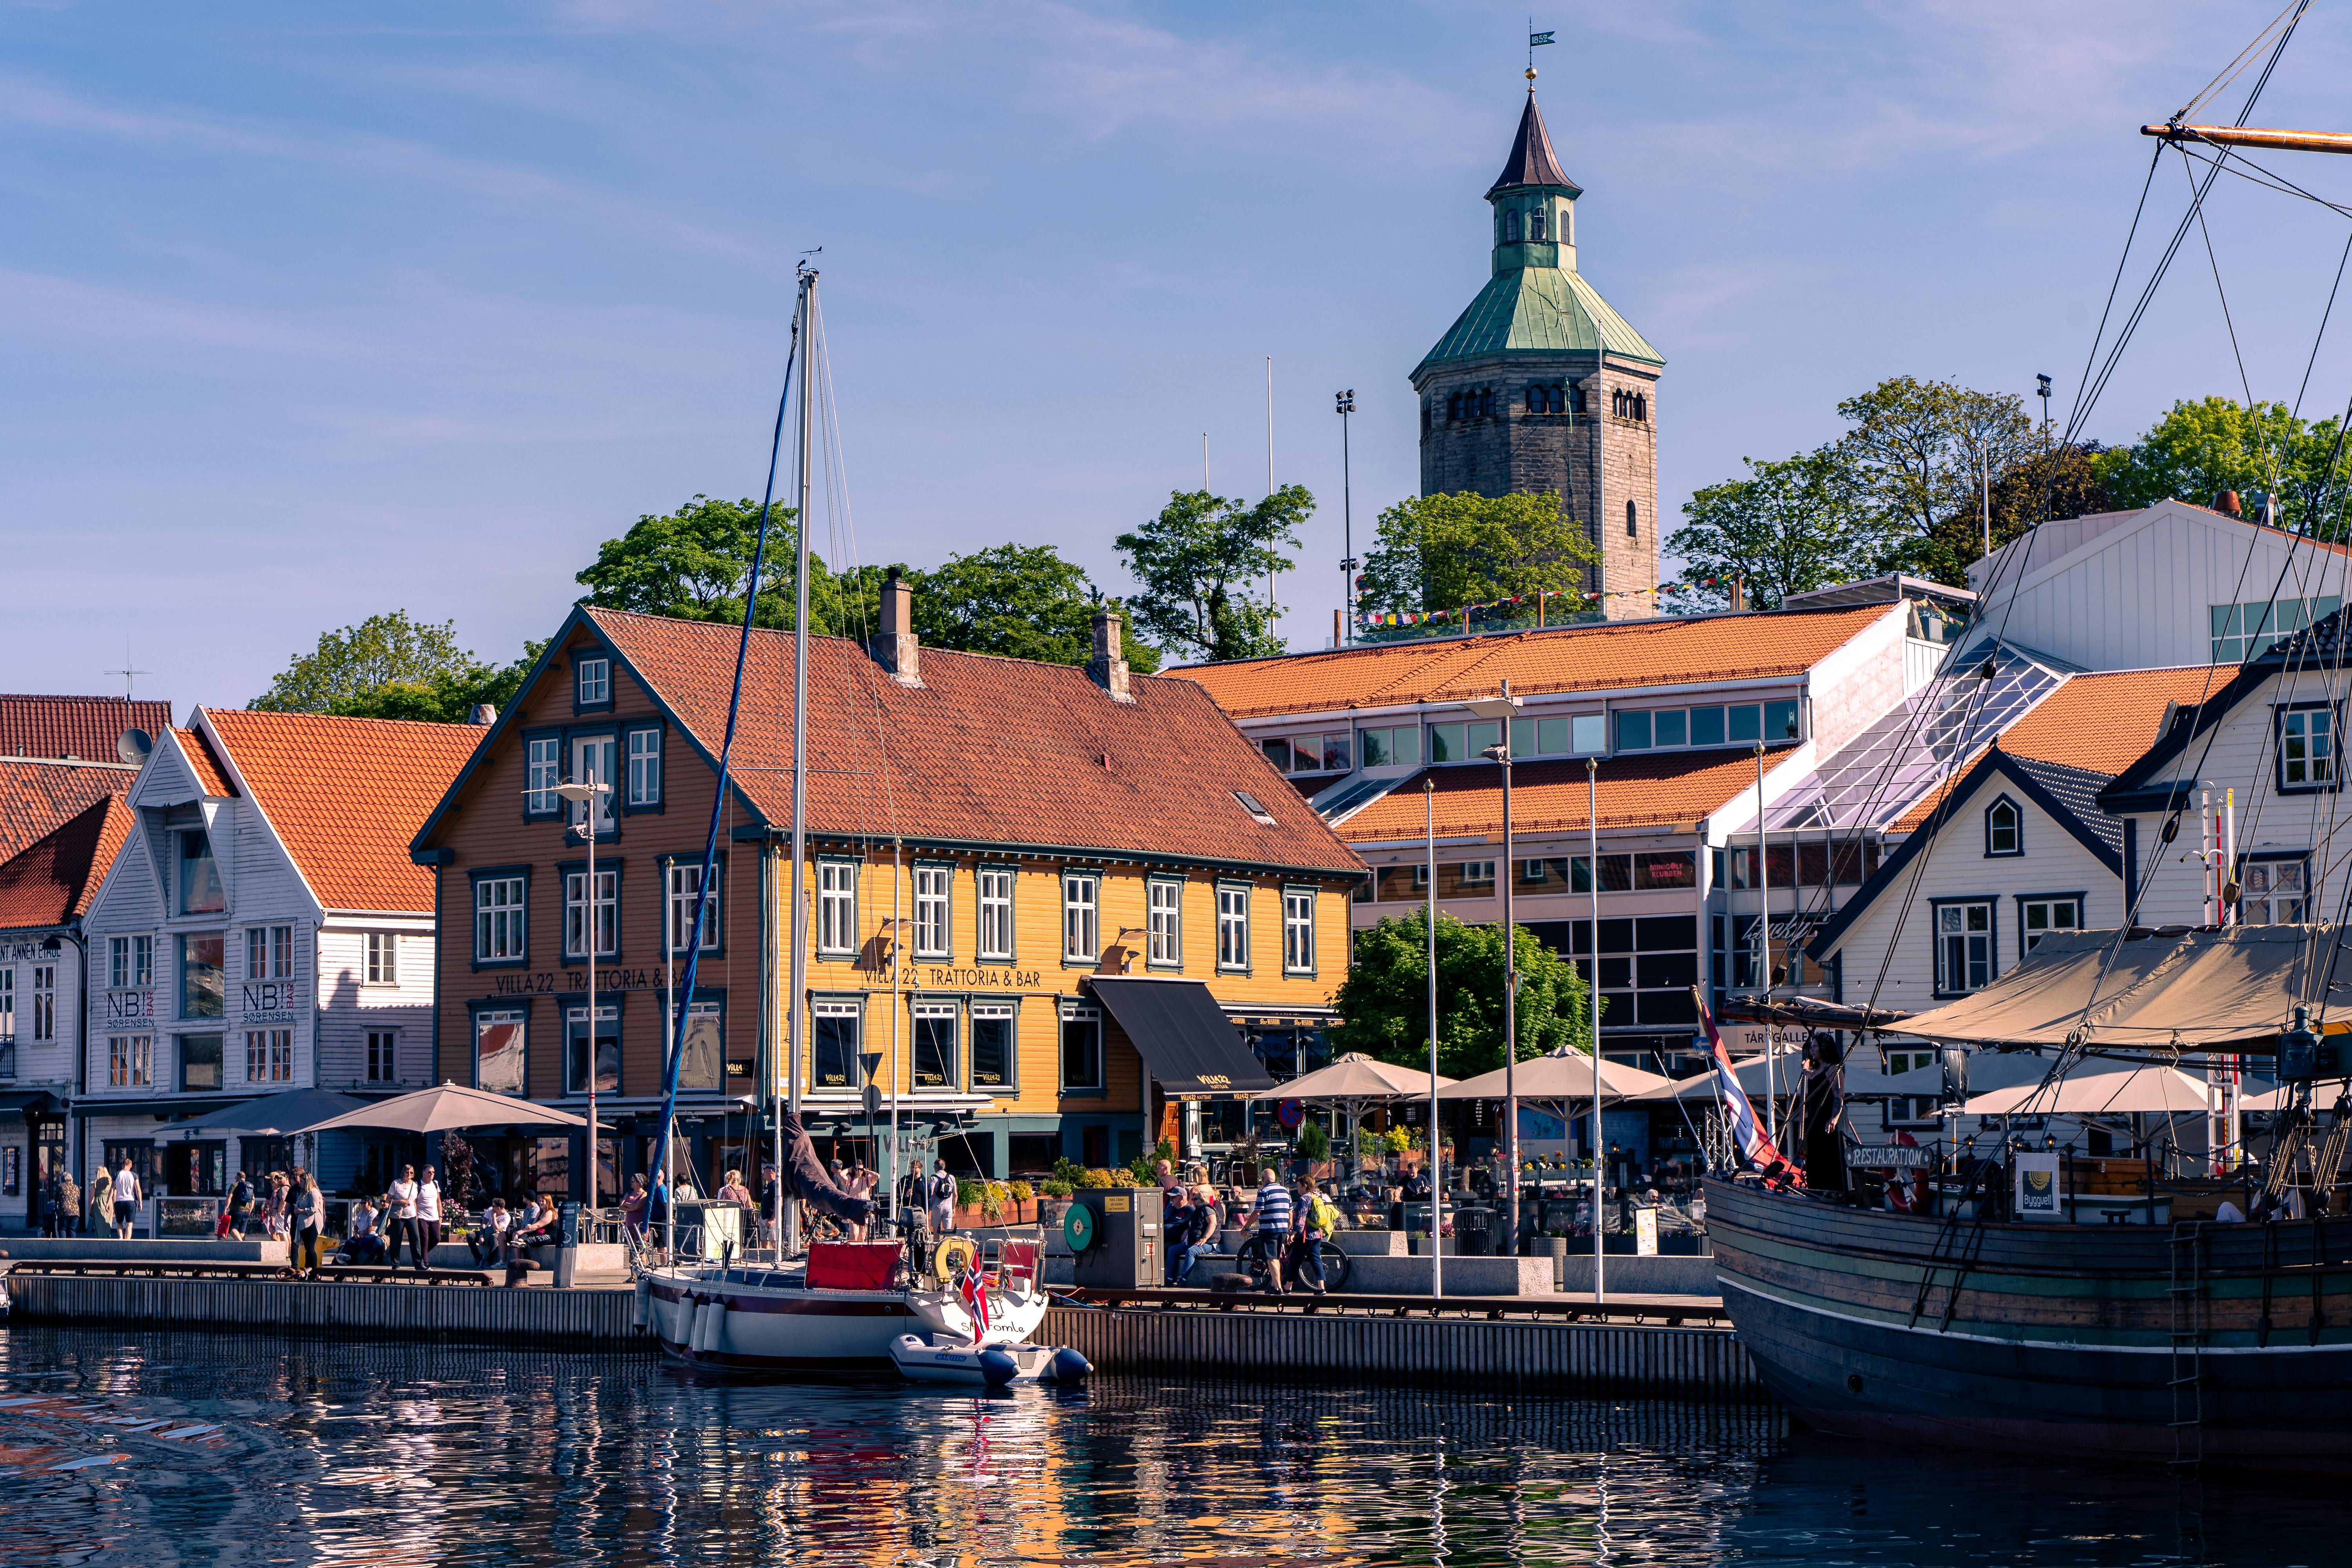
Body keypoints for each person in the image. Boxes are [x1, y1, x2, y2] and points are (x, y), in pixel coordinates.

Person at [1292, 1176, 1338, 1297]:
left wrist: (1294, 1233)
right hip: (1317, 1234)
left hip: (1305, 1236)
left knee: (1295, 1260)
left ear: (1304, 1186)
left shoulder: (1304, 1199)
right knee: (1316, 1260)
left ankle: (1287, 1288)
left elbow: (1301, 1218)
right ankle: (1321, 1287)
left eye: (1299, 1185)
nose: (1297, 1187)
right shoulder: (1316, 1197)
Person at [1250, 1169, 1292, 1296]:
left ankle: (1278, 1288)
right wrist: (1289, 1229)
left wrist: (1246, 1228)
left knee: (1271, 1259)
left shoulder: (1263, 1192)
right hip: (1283, 1229)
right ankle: (1273, 1285)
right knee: (1277, 1258)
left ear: (1263, 1179)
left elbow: (1257, 1212)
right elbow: (1290, 1212)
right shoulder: (1285, 1191)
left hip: (1270, 1230)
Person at [1166, 1189, 1214, 1286]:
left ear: (1203, 1199)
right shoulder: (1197, 1211)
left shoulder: (1207, 1209)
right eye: (1193, 1199)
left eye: (1196, 1199)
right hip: (1194, 1242)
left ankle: (1183, 1279)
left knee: (1191, 1251)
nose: (1193, 1201)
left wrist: (1205, 1238)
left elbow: (1213, 1223)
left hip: (1209, 1244)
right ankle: (1169, 1278)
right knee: (1172, 1250)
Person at [387, 1164, 422, 1270]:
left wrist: (417, 1215)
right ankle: (396, 1264)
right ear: (403, 1173)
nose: (409, 1175)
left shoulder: (415, 1185)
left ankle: (419, 1264)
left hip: (411, 1215)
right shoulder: (396, 1184)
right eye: (407, 1172)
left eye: (411, 1173)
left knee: (416, 1239)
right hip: (398, 1216)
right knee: (396, 1240)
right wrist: (400, 1202)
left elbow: (415, 1202)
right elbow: (388, 1200)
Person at [290, 1173, 325, 1277]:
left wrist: (302, 1211)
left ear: (307, 1181)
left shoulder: (314, 1192)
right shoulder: (304, 1193)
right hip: (303, 1224)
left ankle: (315, 1270)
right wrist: (297, 1211)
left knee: (310, 1247)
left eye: (302, 1181)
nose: (299, 1183)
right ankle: (308, 1267)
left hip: (312, 1224)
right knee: (306, 1248)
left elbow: (314, 1209)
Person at [468, 1197, 512, 1265]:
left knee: (494, 1237)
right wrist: (481, 1235)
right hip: (486, 1233)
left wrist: (494, 1218)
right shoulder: (490, 1210)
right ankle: (478, 1257)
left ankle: (489, 1260)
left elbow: (497, 1230)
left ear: (498, 1208)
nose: (492, 1207)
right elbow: (484, 1222)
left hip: (497, 1235)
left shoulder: (506, 1217)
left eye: (493, 1206)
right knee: (470, 1235)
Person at [343, 1195, 386, 1264]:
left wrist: (362, 1235)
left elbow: (372, 1227)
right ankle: (348, 1259)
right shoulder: (361, 1213)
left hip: (372, 1234)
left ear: (370, 1203)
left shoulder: (374, 1212)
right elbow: (356, 1225)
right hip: (361, 1233)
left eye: (365, 1203)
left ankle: (375, 1255)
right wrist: (356, 1234)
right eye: (361, 1203)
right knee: (349, 1242)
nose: (363, 1205)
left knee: (362, 1242)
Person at [416, 1165, 445, 1260]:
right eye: (429, 1172)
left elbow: (439, 1202)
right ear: (424, 1173)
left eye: (433, 1172)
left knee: (437, 1239)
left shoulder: (435, 1184)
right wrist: (416, 1216)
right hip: (422, 1217)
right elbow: (414, 1202)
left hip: (434, 1217)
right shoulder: (418, 1185)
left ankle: (422, 1255)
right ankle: (425, 1263)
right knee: (425, 1239)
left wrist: (441, 1216)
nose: (432, 1174)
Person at [112, 1157, 142, 1240]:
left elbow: (113, 1189)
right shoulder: (134, 1175)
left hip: (119, 1201)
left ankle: (121, 1238)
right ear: (131, 1166)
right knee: (129, 1223)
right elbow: (138, 1189)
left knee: (119, 1222)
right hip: (130, 1201)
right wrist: (140, 1202)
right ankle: (127, 1240)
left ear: (123, 1165)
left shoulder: (116, 1175)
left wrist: (113, 1202)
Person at [927, 1159, 957, 1234]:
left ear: (936, 1167)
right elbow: (956, 1195)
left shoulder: (934, 1178)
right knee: (948, 1232)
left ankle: (937, 1245)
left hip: (937, 1207)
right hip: (949, 1208)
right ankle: (946, 1246)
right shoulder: (952, 1178)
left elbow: (931, 1193)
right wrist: (954, 1207)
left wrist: (930, 1205)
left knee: (936, 1232)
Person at [621, 1175, 648, 1245]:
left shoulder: (644, 1194)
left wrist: (626, 1204)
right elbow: (621, 1207)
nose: (631, 1183)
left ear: (639, 1183)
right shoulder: (629, 1194)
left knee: (640, 1250)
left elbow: (636, 1206)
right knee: (632, 1250)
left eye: (633, 1181)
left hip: (640, 1226)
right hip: (629, 1224)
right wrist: (632, 1207)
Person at [228, 1170, 254, 1240]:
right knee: (242, 1231)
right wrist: (250, 1211)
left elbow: (230, 1197)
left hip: (237, 1212)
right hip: (246, 1213)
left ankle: (241, 1244)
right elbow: (253, 1199)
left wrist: (226, 1208)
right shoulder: (249, 1187)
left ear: (237, 1178)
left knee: (232, 1229)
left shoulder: (235, 1185)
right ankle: (243, 1246)